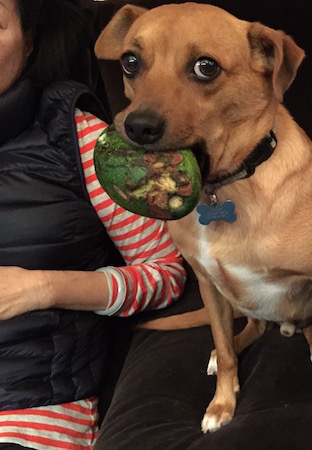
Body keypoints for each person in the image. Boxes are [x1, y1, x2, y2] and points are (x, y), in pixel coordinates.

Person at [0, 0, 186, 448]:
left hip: (30, 413)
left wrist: (42, 287)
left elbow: (165, 273)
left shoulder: (84, 135)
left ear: (29, 41)